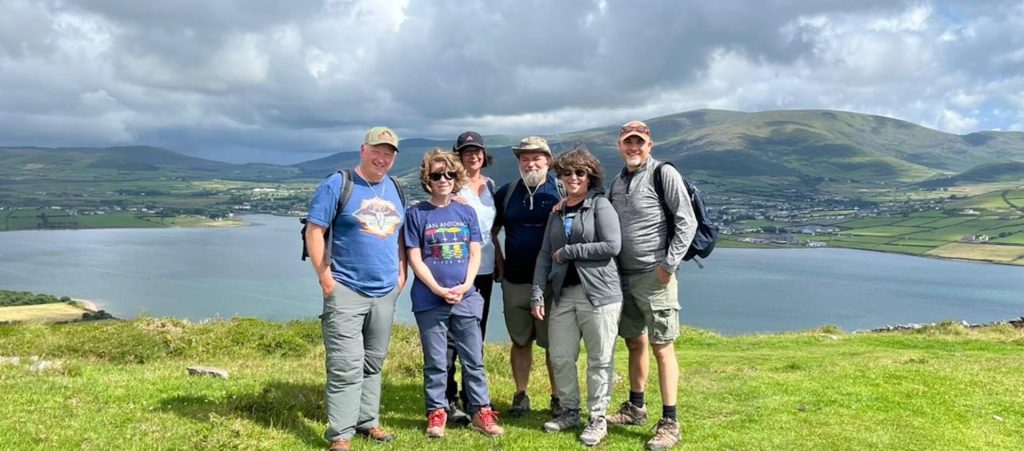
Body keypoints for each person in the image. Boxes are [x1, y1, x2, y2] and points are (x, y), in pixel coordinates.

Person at [304, 126, 407, 451]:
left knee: (373, 361)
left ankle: (367, 421)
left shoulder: (395, 188)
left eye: (389, 153)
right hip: (346, 288)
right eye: (377, 150)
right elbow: (315, 230)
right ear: (363, 149)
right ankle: (340, 435)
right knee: (346, 365)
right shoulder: (339, 183)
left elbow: (399, 238)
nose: (382, 157)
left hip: (385, 291)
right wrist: (325, 278)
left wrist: (400, 277)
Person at [605, 121, 697, 451]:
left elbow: (687, 220)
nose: (633, 148)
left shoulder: (663, 175)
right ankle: (635, 407)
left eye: (639, 142)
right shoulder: (617, 182)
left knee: (662, 346)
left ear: (649, 144)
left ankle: (670, 422)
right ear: (620, 145)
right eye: (628, 142)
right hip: (624, 275)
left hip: (655, 275)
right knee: (634, 342)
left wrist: (668, 265)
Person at [404, 149, 504, 439]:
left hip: (466, 296)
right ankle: (437, 413)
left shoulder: (466, 211)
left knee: (474, 359)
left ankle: (480, 412)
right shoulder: (416, 214)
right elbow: (414, 256)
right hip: (429, 299)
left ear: (456, 176)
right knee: (436, 360)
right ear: (427, 179)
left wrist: (465, 285)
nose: (443, 179)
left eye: (449, 174)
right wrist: (436, 288)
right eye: (436, 175)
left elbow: (475, 251)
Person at [530, 146, 622, 447]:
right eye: (567, 172)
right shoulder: (557, 212)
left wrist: (570, 252)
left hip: (599, 294)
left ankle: (597, 418)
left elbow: (612, 245)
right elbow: (545, 254)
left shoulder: (600, 206)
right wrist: (537, 294)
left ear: (590, 176)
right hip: (562, 294)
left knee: (599, 359)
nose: (573, 177)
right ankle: (570, 411)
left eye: (579, 172)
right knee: (560, 356)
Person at [492, 135, 562, 418]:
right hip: (515, 280)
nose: (530, 163)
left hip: (551, 283)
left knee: (554, 343)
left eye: (536, 157)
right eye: (524, 158)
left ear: (548, 160)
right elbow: (491, 231)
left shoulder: (561, 191)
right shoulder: (507, 193)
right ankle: (520, 394)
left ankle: (558, 397)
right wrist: (499, 259)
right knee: (520, 341)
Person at [444, 131, 498, 424]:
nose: (473, 155)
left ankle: (472, 396)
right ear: (459, 155)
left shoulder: (490, 186)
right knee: (452, 337)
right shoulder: (451, 187)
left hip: (485, 271)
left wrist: (499, 257)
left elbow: (492, 230)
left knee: (476, 335)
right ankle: (449, 399)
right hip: (459, 270)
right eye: (466, 151)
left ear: (483, 154)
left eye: (476, 150)